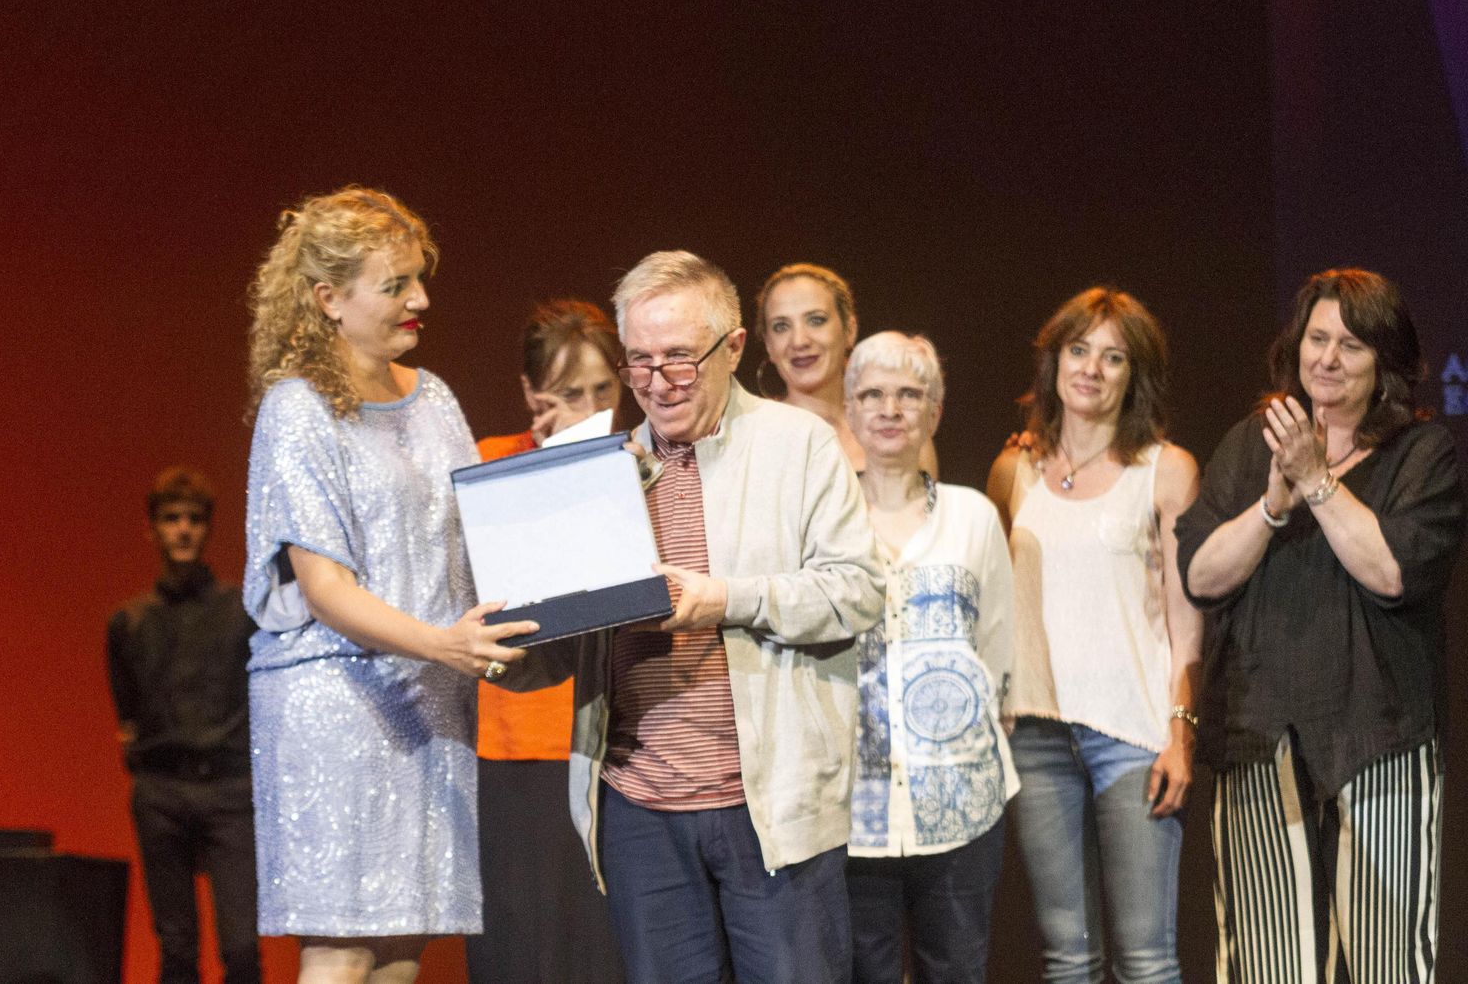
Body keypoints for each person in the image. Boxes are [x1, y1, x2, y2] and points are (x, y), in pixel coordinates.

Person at [508, 250, 884, 984]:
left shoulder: (799, 445)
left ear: (734, 348)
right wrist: (499, 647)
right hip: (640, 809)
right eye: (640, 362)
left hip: (769, 805)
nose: (657, 382)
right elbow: (560, 650)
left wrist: (727, 600)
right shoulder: (601, 470)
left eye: (679, 359)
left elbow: (858, 593)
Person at [242, 186, 536, 984]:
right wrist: (443, 643)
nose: (422, 299)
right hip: (338, 702)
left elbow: (482, 528)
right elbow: (326, 586)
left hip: (430, 698)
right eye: (397, 283)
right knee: (343, 944)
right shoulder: (297, 409)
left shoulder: (433, 395)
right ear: (328, 299)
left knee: (405, 945)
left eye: (420, 278)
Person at [1175, 268, 1464, 982]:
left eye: (1352, 345)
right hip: (1259, 736)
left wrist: (1318, 481)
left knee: (1387, 961)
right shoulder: (1251, 445)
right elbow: (1200, 576)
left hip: (1379, 739)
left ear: (1386, 364)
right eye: (1317, 339)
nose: (1328, 359)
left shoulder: (1422, 455)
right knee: (1270, 964)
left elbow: (1393, 571)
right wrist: (1273, 505)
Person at [985, 287, 1201, 984]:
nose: (1092, 369)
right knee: (1068, 958)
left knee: (1145, 959)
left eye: (1114, 358)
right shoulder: (1013, 470)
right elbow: (992, 601)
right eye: (1079, 350)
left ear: (1135, 375)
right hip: (1038, 736)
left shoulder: (1165, 470)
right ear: (1054, 361)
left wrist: (1179, 732)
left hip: (1132, 737)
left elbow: (1185, 619)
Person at [842, 333, 1015, 984]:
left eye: (909, 394)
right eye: (874, 395)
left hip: (962, 800)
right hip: (856, 810)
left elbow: (998, 640)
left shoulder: (972, 516)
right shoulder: (824, 521)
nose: (890, 408)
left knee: (958, 973)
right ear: (852, 411)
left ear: (934, 413)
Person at [468, 299, 627, 984]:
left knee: (601, 947)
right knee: (522, 945)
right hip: (515, 745)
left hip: (606, 741)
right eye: (570, 393)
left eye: (603, 390)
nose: (591, 408)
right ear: (533, 395)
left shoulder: (636, 461)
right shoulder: (491, 464)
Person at [107, 466, 261, 984]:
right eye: (171, 519)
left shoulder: (240, 612)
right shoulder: (129, 623)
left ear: (207, 528)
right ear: (152, 529)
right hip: (162, 791)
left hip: (229, 789)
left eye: (194, 519)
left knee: (241, 947)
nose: (183, 529)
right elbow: (126, 709)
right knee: (176, 948)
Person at [756, 262, 936, 476]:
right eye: (781, 326)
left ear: (849, 330)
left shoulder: (902, 424)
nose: (799, 341)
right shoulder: (757, 439)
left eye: (816, 320)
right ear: (768, 345)